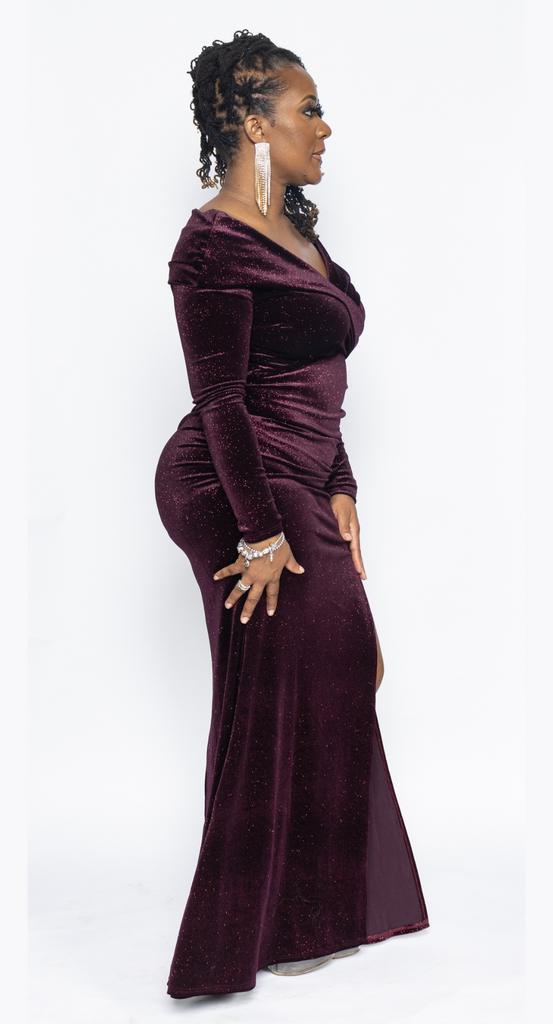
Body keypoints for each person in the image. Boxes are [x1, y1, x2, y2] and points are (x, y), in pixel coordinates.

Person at [155, 29, 429, 1000]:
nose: (324, 126)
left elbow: (317, 379)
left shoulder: (295, 232)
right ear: (250, 123)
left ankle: (306, 908)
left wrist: (341, 487)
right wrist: (262, 530)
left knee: (347, 660)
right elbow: (222, 398)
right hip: (232, 484)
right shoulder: (212, 243)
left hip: (301, 481)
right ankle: (243, 934)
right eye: (307, 108)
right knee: (274, 684)